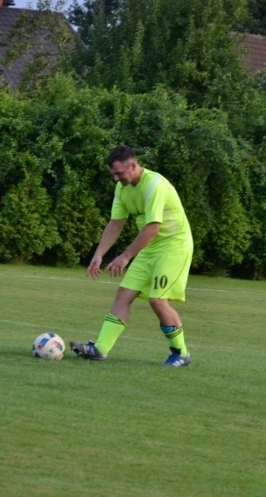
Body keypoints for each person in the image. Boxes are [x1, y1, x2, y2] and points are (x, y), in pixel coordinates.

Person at [70, 145, 194, 366]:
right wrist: (99, 255)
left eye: (119, 173)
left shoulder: (154, 185)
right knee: (123, 295)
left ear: (133, 165)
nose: (116, 179)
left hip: (173, 247)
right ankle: (100, 349)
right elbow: (116, 223)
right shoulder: (122, 189)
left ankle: (181, 353)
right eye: (113, 175)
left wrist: (125, 256)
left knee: (158, 300)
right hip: (150, 248)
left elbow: (153, 227)